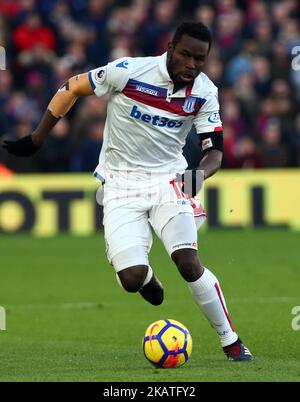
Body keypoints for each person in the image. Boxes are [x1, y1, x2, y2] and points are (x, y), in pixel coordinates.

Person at [2, 21, 253, 361]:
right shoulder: (129, 72)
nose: (191, 65)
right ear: (170, 47)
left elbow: (215, 152)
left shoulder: (204, 92)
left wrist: (198, 175)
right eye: (185, 55)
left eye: (199, 59)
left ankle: (231, 341)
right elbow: (71, 87)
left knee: (188, 262)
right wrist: (36, 138)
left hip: (170, 181)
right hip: (120, 185)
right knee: (132, 277)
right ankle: (147, 278)